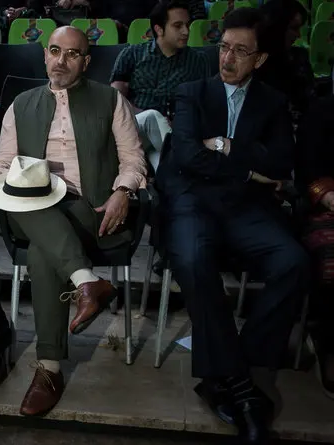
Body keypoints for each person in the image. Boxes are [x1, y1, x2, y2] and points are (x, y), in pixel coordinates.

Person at [0, 26, 146, 417]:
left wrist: (123, 191)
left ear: (86, 61)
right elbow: (4, 162)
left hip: (90, 211)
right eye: (54, 51)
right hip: (33, 206)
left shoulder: (110, 100)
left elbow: (133, 159)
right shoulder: (21, 104)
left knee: (42, 251)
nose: (61, 61)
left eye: (72, 54)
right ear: (45, 54)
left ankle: (49, 369)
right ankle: (87, 282)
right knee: (21, 196)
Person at [155, 8, 309, 443]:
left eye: (241, 51)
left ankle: (231, 368)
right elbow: (187, 156)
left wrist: (224, 145)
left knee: (294, 262)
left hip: (245, 207)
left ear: (260, 59)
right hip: (192, 201)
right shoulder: (192, 92)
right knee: (193, 259)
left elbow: (280, 162)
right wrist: (249, 167)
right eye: (224, 47)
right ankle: (242, 388)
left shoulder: (272, 102)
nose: (227, 58)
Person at [111, 0, 209, 172]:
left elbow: (204, 102)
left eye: (187, 25)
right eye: (178, 26)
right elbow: (115, 99)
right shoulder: (132, 54)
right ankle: (189, 162)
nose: (186, 31)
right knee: (152, 117)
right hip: (134, 126)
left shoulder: (198, 61)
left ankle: (175, 175)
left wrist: (182, 122)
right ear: (159, 29)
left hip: (170, 133)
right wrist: (142, 113)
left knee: (164, 166)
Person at [296, 91, 334, 399]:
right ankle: (327, 340)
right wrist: (328, 196)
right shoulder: (322, 112)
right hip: (327, 208)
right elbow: (307, 168)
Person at [257, 0, 314, 128]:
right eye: (294, 28)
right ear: (276, 28)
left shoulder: (299, 57)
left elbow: (310, 103)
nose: (298, 35)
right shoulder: (253, 64)